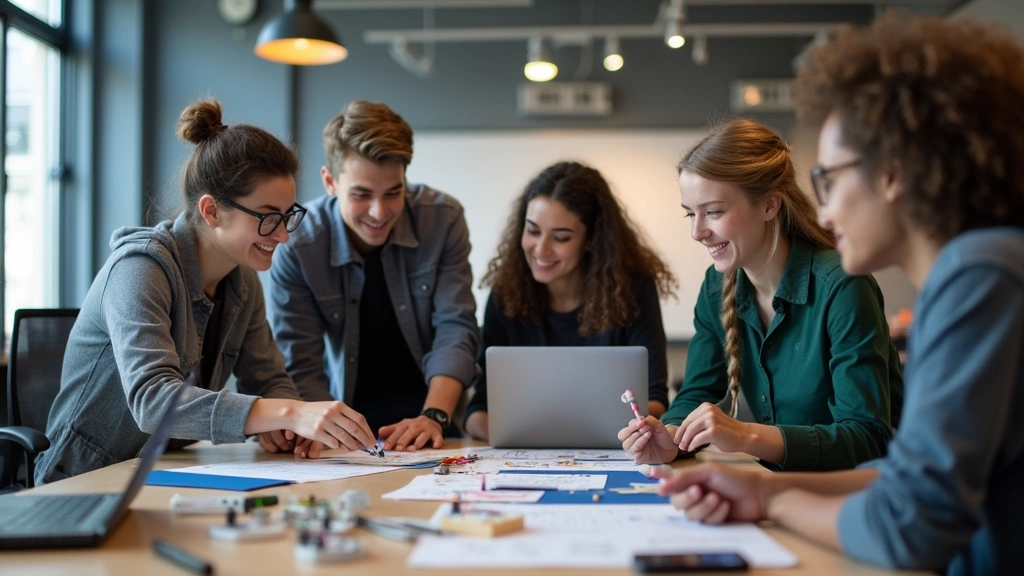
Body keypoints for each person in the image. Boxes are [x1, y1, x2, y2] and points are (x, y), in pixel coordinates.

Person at [654, 12, 1024, 576]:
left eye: (829, 180)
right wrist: (753, 489)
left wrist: (773, 497)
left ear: (892, 173)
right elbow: (905, 475)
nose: (822, 210)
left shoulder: (978, 279)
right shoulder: (984, 269)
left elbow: (910, 523)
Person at [36, 99, 378, 485]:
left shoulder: (242, 280)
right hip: (82, 480)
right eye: (268, 217)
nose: (283, 235)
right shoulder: (139, 269)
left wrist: (288, 427)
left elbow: (268, 380)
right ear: (212, 211)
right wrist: (289, 413)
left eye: (287, 217)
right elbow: (153, 402)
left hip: (164, 473)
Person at [619, 118, 904, 471]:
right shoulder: (715, 286)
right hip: (776, 490)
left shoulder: (842, 285)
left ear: (770, 206)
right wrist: (670, 438)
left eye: (714, 212)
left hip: (851, 498)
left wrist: (745, 436)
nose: (697, 232)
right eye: (691, 214)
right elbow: (697, 393)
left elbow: (867, 438)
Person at [268, 101, 478, 452]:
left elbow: (456, 328)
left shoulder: (443, 220)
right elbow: (299, 359)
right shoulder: (299, 242)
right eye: (362, 195)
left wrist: (435, 415)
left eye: (393, 193)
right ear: (330, 182)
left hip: (432, 426)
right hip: (343, 431)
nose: (380, 213)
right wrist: (328, 431)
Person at [465, 161, 676, 440]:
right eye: (532, 231)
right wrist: (516, 433)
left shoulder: (632, 291)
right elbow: (478, 410)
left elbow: (656, 399)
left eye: (561, 237)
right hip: (523, 457)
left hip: (612, 452)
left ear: (592, 240)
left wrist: (588, 431)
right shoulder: (506, 294)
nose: (540, 249)